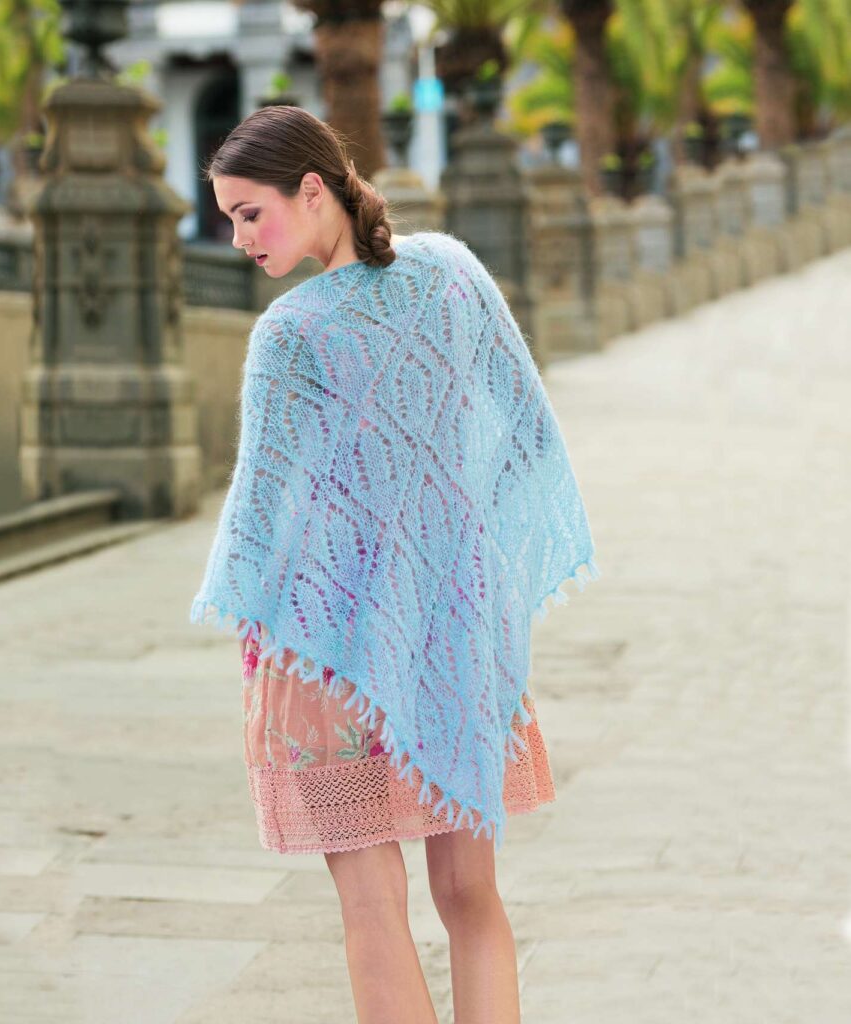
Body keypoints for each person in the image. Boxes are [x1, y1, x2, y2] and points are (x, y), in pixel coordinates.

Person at [192, 104, 598, 1024]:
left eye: (250, 213)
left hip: (328, 658)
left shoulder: (289, 334)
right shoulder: (454, 271)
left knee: (372, 912)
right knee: (472, 899)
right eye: (229, 220)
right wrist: (457, 557)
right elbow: (529, 442)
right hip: (459, 635)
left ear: (311, 189)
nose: (240, 238)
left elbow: (263, 523)